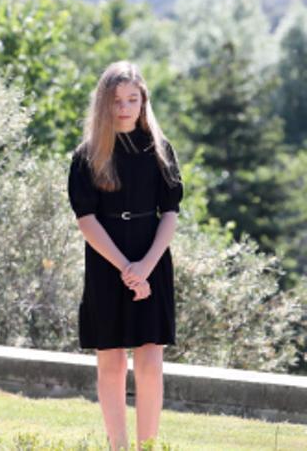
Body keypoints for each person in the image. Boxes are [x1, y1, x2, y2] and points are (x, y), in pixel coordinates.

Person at [68, 61, 182, 451]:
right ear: (104, 104)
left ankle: (147, 446)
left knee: (150, 361)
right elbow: (86, 220)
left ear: (143, 101)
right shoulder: (86, 156)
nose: (125, 107)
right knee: (111, 361)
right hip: (106, 262)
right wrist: (125, 268)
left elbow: (171, 212)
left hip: (152, 260)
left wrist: (145, 267)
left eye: (133, 99)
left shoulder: (160, 150)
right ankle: (117, 446)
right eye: (117, 100)